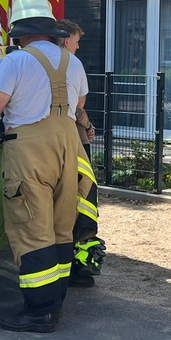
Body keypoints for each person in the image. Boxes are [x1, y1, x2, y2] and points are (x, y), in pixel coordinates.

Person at [0, 0, 88, 333]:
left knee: (31, 228)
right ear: (48, 28)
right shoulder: (72, 61)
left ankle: (38, 312)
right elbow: (79, 103)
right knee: (61, 228)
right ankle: (55, 304)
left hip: (30, 149)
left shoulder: (16, 62)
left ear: (18, 31)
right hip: (68, 145)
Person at [55, 18, 105, 288]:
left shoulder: (29, 61)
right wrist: (87, 125)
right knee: (84, 199)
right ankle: (80, 265)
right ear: (65, 41)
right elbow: (78, 105)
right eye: (76, 42)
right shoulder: (73, 64)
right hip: (72, 140)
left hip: (41, 142)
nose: (78, 47)